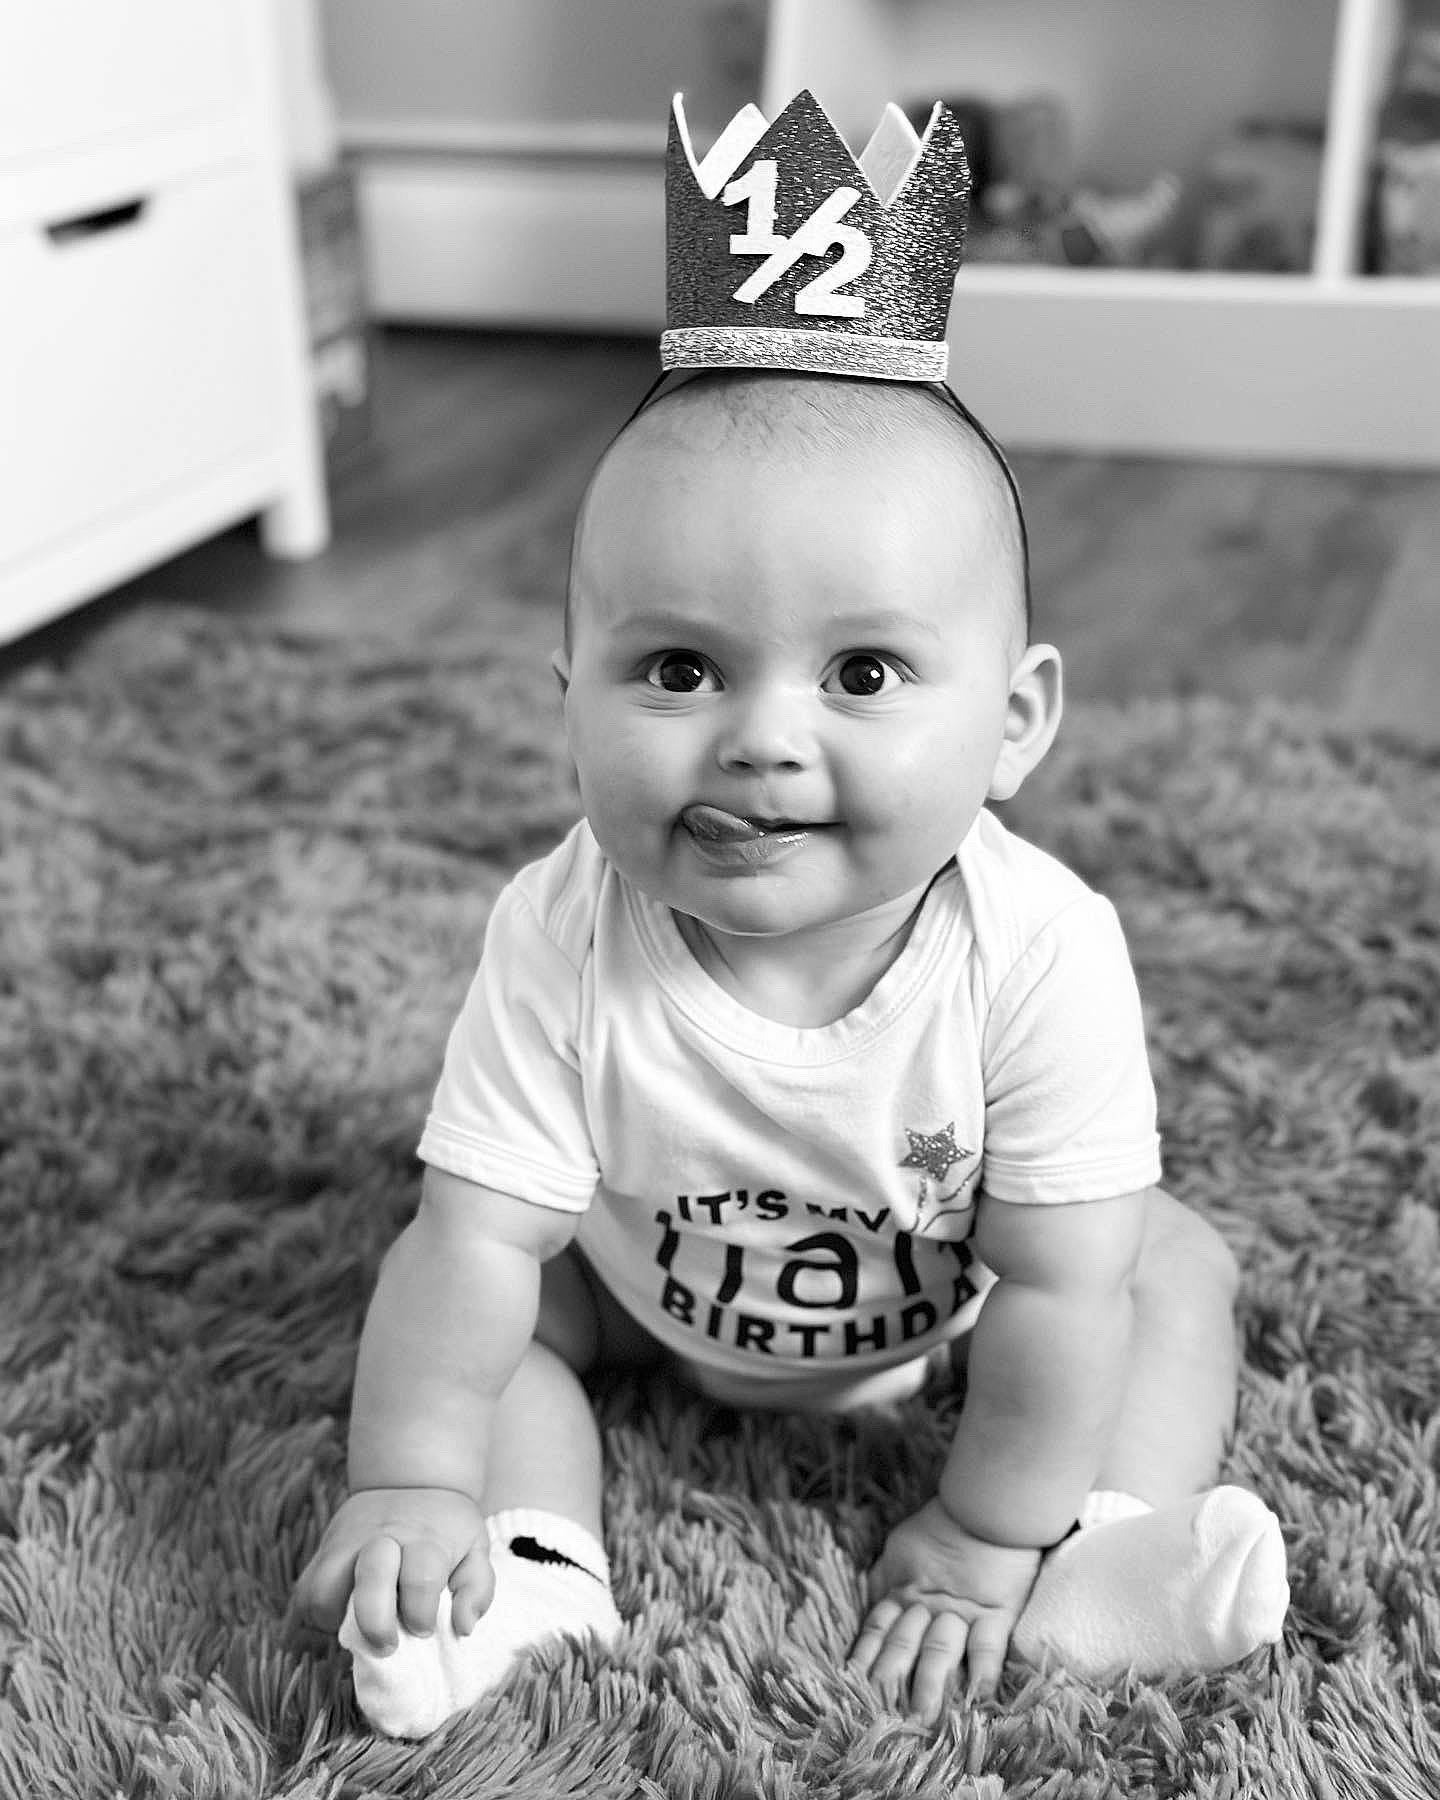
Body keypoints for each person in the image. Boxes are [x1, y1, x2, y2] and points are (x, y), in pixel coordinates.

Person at [294, 370, 1289, 1739]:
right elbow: (472, 1240)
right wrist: (408, 1476)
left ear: (1013, 723)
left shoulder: (1044, 948)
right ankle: (526, 1572)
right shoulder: (560, 928)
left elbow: (1062, 1288)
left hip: (958, 1306)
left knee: (1163, 1265)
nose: (760, 740)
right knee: (495, 1317)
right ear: (568, 698)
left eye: (862, 675)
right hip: (640, 1295)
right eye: (679, 670)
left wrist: (991, 1532)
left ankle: (1097, 1546)